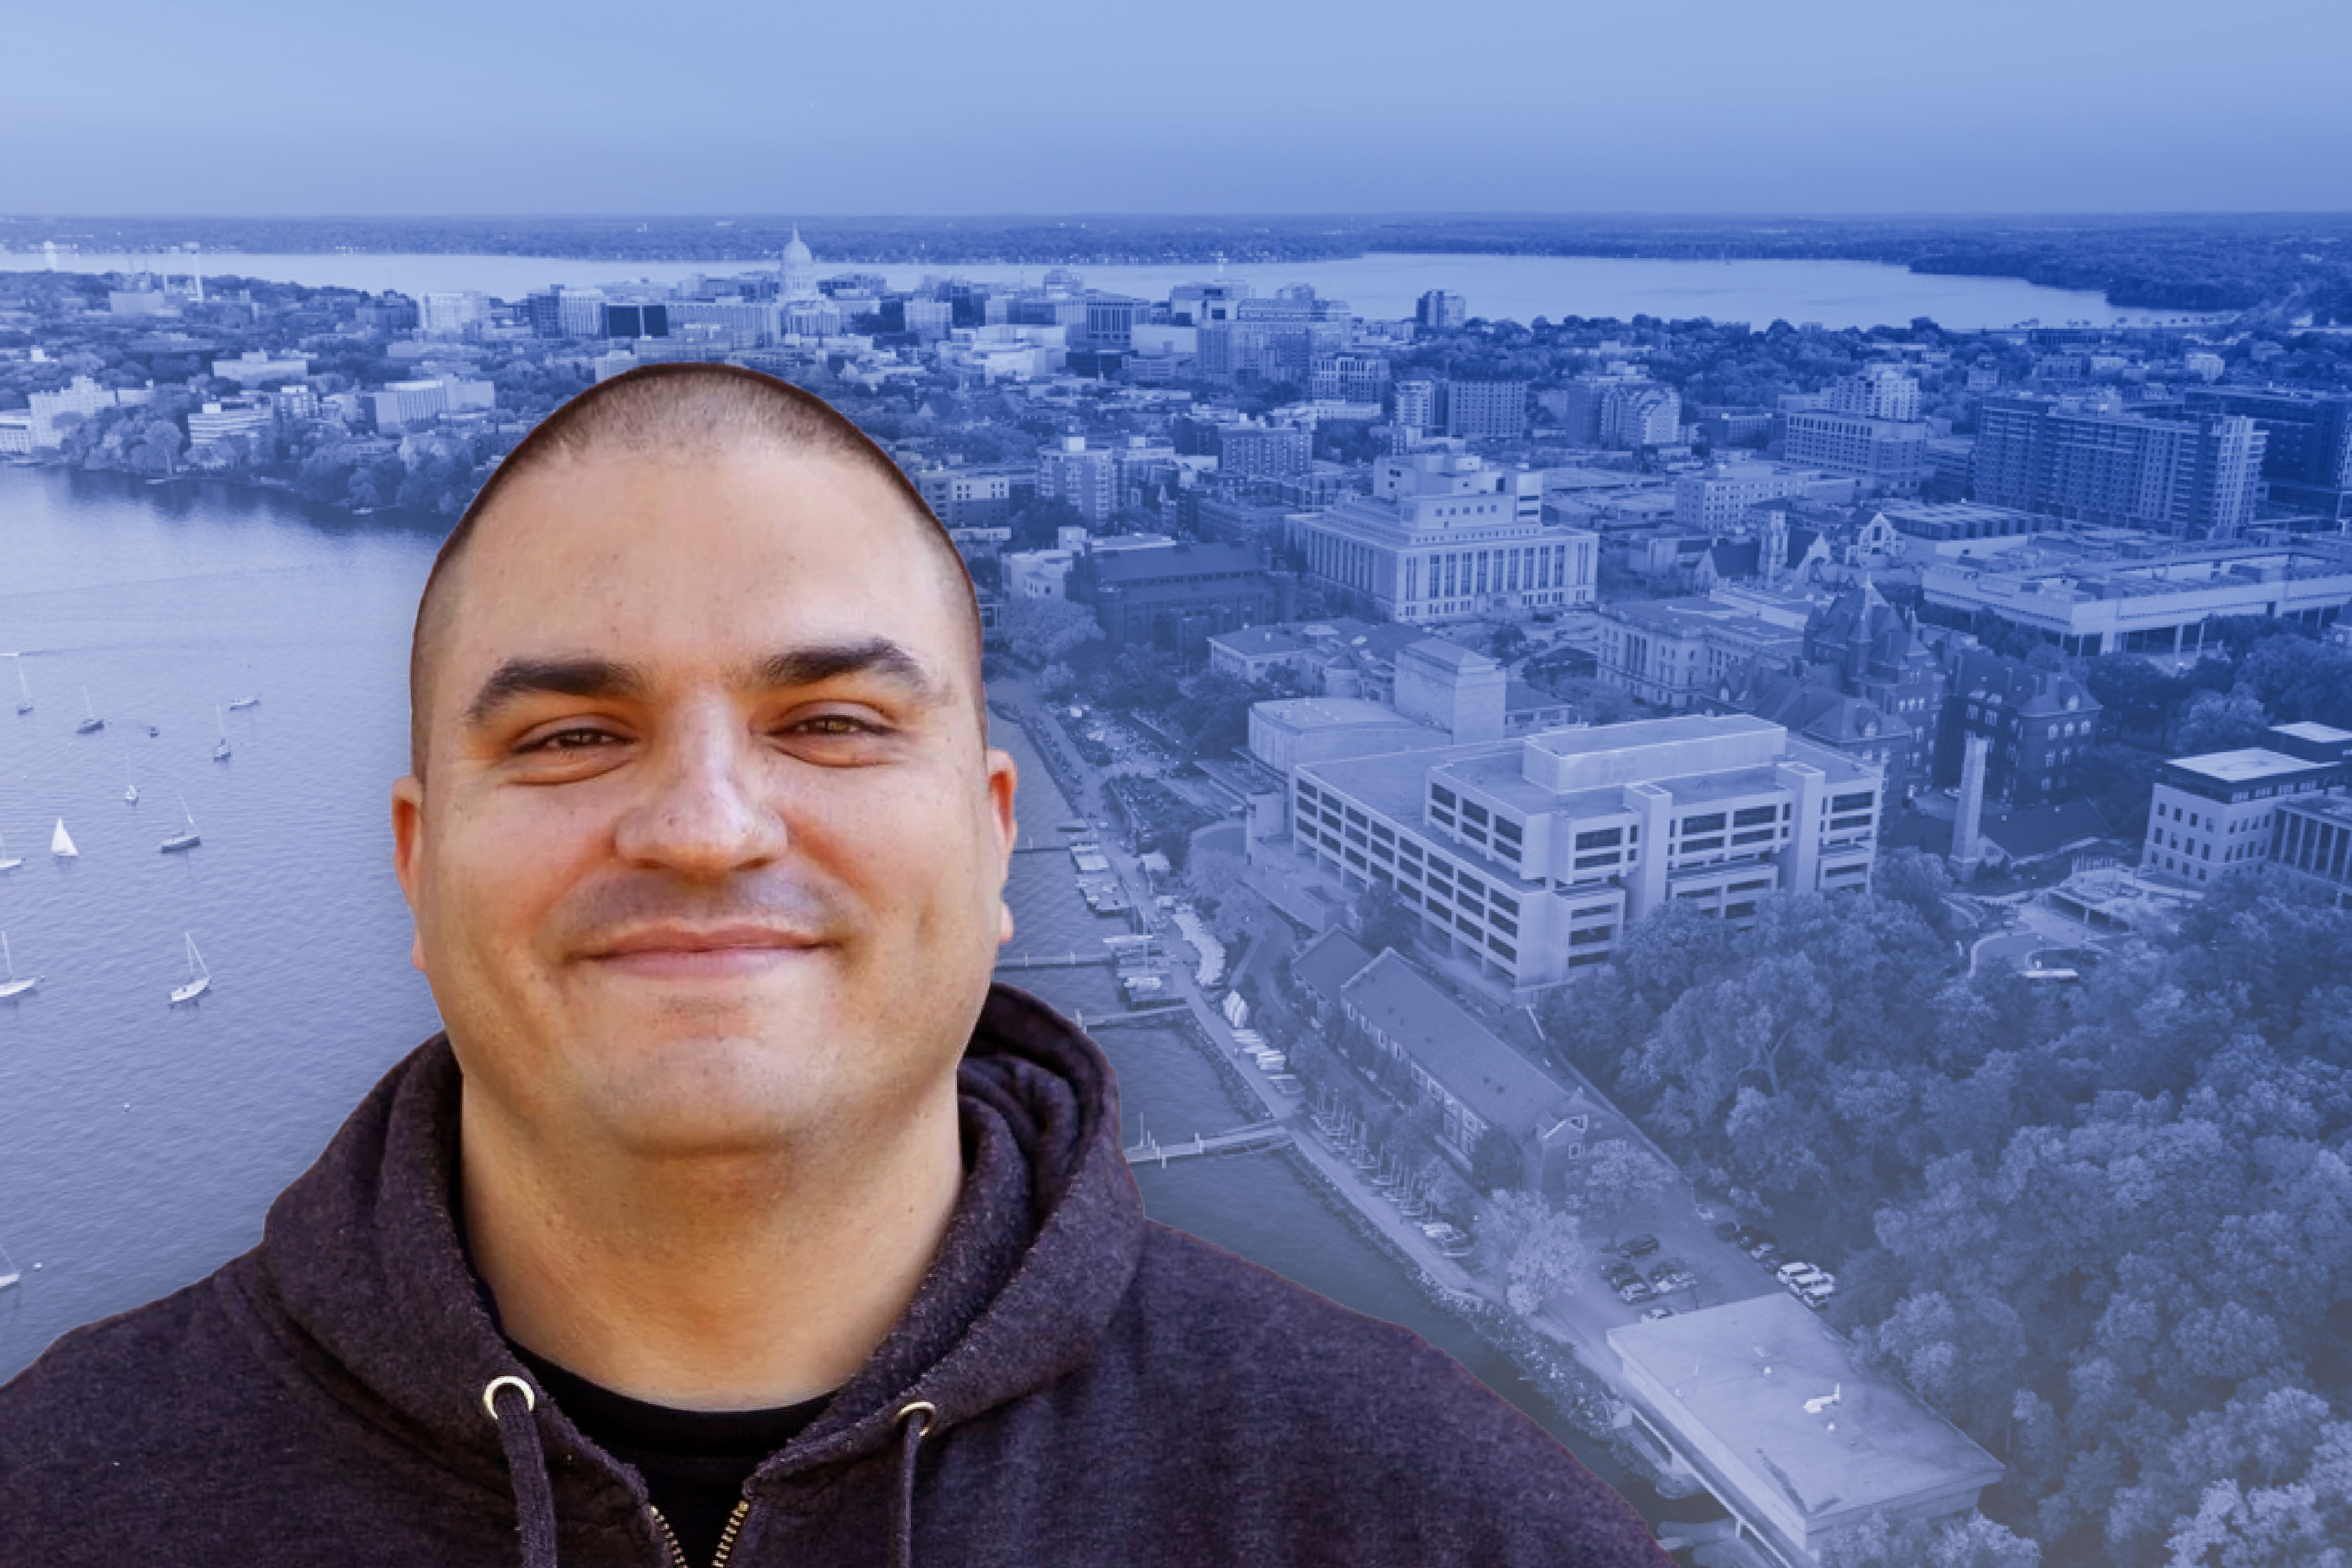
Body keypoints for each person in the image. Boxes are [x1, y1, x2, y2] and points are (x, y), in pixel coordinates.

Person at [0, 363, 1669, 1567]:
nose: (712, 822)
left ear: (995, 836)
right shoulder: (53, 1500)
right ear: (417, 866)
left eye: (834, 722)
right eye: (576, 731)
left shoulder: (1426, 1515)